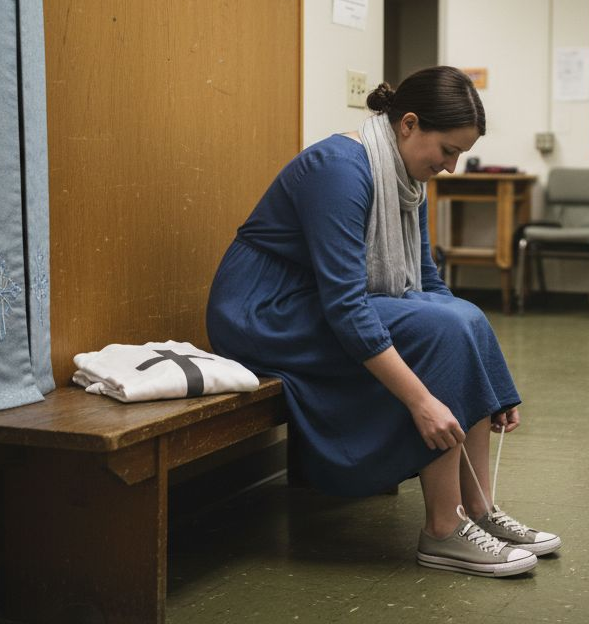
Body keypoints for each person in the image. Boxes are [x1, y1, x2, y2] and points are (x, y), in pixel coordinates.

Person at [207, 66, 560, 578]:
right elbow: (347, 306)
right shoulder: (339, 169)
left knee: (464, 317)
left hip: (313, 303)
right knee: (440, 332)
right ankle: (444, 529)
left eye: (460, 154)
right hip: (263, 313)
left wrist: (488, 381)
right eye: (447, 151)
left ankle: (479, 508)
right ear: (409, 124)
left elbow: (428, 283)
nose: (452, 167)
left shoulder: (406, 178)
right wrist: (421, 401)